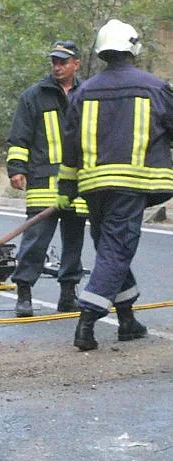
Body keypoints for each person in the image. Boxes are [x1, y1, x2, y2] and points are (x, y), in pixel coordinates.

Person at [57, 20, 173, 351]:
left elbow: (70, 145)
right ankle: (87, 321)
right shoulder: (155, 88)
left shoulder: (83, 92)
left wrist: (67, 187)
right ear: (133, 47)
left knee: (110, 249)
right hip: (132, 186)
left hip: (93, 188)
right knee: (116, 250)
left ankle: (127, 321)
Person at [6, 41, 87, 316]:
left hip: (78, 181)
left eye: (63, 61)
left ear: (76, 63)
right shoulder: (34, 96)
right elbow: (19, 136)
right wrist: (17, 168)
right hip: (43, 181)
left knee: (74, 242)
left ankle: (68, 294)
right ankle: (24, 294)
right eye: (54, 61)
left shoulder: (88, 93)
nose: (57, 66)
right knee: (35, 241)